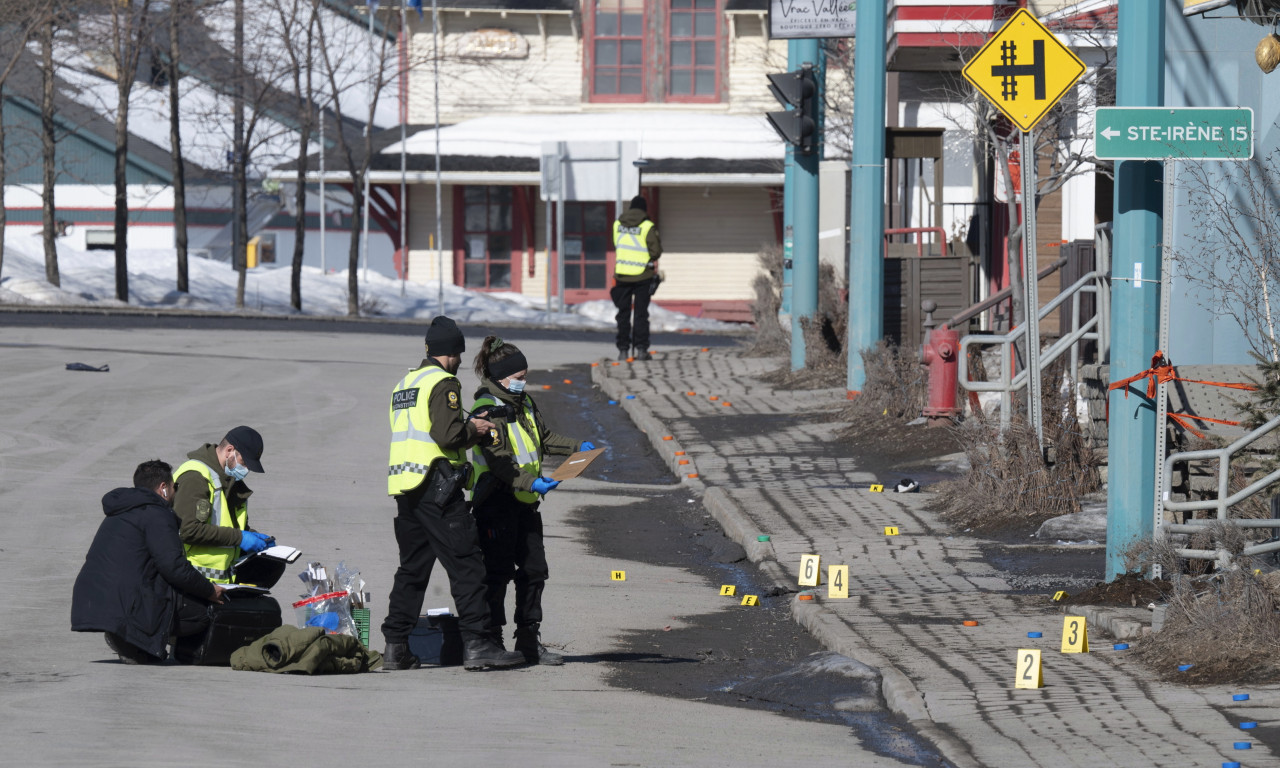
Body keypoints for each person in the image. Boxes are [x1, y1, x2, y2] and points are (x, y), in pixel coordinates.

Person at [382, 316, 526, 671]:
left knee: (412, 570)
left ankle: (396, 647)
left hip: (405, 487)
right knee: (467, 563)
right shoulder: (443, 382)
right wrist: (475, 429)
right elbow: (447, 436)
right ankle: (478, 644)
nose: (460, 361)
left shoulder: (405, 383)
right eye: (459, 355)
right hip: (438, 486)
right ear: (452, 353)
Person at [469, 336, 597, 665]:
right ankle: (493, 641)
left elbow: (543, 437)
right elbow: (498, 461)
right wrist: (533, 482)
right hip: (496, 501)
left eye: (525, 376)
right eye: (519, 376)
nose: (524, 382)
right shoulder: (487, 408)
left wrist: (576, 447)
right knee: (497, 573)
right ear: (501, 377)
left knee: (534, 570)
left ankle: (528, 639)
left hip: (525, 500)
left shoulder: (523, 402)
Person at [72, 460, 227, 664]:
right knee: (202, 612)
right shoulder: (157, 514)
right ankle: (133, 642)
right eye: (174, 486)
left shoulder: (121, 510)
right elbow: (173, 567)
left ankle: (130, 637)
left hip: (95, 596)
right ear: (163, 488)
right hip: (124, 601)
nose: (175, 492)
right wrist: (208, 591)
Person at [171, 426, 275, 584]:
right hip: (190, 581)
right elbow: (188, 530)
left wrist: (254, 536)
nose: (246, 470)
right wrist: (240, 537)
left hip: (219, 583)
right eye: (244, 462)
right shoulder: (195, 477)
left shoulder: (229, 482)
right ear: (229, 450)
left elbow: (226, 525)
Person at [612, 193, 662, 361]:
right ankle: (641, 350)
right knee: (640, 314)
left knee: (623, 314)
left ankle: (623, 350)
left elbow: (616, 244)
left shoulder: (617, 224)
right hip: (642, 276)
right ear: (644, 210)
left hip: (622, 275)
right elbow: (655, 252)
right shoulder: (647, 226)